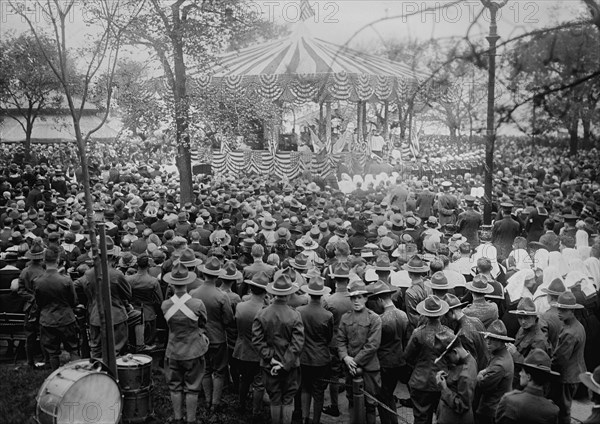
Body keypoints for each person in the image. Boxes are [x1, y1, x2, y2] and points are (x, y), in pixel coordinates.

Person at [252, 274, 305, 424]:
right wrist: (285, 363)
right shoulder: (295, 315)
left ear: (273, 293)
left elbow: (256, 340)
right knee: (288, 399)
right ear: (289, 294)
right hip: (291, 367)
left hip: (269, 366)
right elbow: (297, 344)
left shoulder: (262, 313)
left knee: (274, 399)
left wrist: (270, 357)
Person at [161, 262, 209, 424]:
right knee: (192, 387)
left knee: (174, 386)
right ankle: (191, 420)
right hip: (193, 350)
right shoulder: (197, 304)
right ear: (187, 282)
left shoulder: (165, 305)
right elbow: (203, 322)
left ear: (172, 283)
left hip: (173, 350)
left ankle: (177, 418)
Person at [75, 236, 132, 359]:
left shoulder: (88, 274)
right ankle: (114, 376)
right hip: (116, 316)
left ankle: (97, 375)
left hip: (95, 316)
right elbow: (128, 294)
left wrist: (88, 297)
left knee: (96, 350)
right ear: (112, 256)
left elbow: (75, 286)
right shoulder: (117, 274)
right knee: (116, 349)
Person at [190, 256, 234, 413]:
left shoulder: (193, 293)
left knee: (206, 369)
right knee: (219, 371)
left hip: (200, 336)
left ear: (204, 274)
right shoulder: (222, 296)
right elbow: (228, 320)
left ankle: (208, 400)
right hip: (217, 338)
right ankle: (215, 403)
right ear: (218, 276)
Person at [337, 279, 382, 424]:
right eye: (353, 297)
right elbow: (341, 340)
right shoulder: (345, 318)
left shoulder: (374, 318)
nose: (356, 301)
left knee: (370, 403)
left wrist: (354, 362)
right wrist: (345, 357)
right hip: (349, 368)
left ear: (366, 298)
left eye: (359, 297)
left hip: (369, 369)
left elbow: (372, 345)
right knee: (351, 400)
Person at [404, 294, 454, 424]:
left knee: (421, 418)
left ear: (425, 314)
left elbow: (407, 356)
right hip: (442, 381)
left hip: (420, 381)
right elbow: (453, 359)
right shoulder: (449, 334)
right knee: (442, 418)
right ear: (441, 314)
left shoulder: (418, 333)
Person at [34, 246, 79, 370]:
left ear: (44, 260)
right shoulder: (66, 280)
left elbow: (38, 303)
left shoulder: (38, 281)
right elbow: (74, 301)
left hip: (47, 319)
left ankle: (55, 377)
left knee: (52, 352)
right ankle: (77, 375)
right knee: (73, 348)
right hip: (66, 318)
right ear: (58, 259)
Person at [370, 280, 408, 424]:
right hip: (400, 360)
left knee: (382, 397)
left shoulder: (381, 320)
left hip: (385, 363)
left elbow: (376, 344)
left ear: (380, 299)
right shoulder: (403, 315)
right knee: (389, 394)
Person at [297, 276, 334, 424]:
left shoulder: (299, 311)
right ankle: (316, 420)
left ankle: (305, 418)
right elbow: (329, 337)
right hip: (320, 357)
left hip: (303, 356)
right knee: (318, 392)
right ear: (322, 294)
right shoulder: (327, 315)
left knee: (305, 388)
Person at [233, 272, 269, 423]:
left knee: (244, 379)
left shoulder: (241, 306)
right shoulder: (266, 310)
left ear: (251, 288)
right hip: (259, 353)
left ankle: (241, 404)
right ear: (265, 291)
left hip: (242, 349)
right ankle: (256, 411)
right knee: (259, 383)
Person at [550, 291, 587, 424]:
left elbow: (560, 359)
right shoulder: (577, 325)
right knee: (565, 407)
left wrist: (548, 367)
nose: (559, 312)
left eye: (564, 310)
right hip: (575, 372)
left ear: (572, 311)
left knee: (563, 410)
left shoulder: (570, 332)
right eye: (559, 308)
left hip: (567, 376)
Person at [495, 349, 559, 424]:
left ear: (528, 377)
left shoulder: (509, 400)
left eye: (522, 371)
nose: (520, 374)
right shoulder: (553, 410)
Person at [476, 319, 515, 424]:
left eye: (492, 339)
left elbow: (483, 386)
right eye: (487, 338)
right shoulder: (502, 355)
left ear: (502, 341)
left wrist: (479, 376)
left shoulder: (499, 364)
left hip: (491, 410)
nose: (488, 342)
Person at [434, 332, 478, 424]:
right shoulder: (469, 359)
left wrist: (444, 388)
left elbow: (462, 405)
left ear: (455, 352)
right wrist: (448, 377)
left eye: (447, 357)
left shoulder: (465, 375)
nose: (446, 361)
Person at [18, 240, 46, 369]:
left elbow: (20, 290)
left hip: (30, 307)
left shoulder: (25, 271)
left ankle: (30, 362)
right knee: (45, 334)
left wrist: (30, 298)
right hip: (43, 306)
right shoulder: (45, 272)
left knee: (30, 336)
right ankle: (46, 360)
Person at [443, 293, 488, 371]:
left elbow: (470, 363)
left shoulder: (462, 335)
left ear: (452, 312)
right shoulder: (476, 320)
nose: (446, 318)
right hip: (486, 366)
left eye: (446, 315)